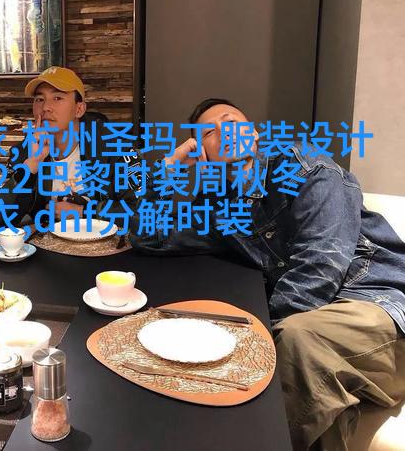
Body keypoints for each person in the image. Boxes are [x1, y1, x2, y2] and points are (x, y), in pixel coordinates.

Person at [130, 98, 405, 451]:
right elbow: (149, 236)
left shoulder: (302, 166)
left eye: (232, 121)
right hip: (321, 326)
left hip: (379, 308)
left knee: (297, 340)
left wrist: (256, 339)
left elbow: (320, 265)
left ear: (254, 133)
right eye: (209, 132)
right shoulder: (222, 207)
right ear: (203, 155)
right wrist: (169, 168)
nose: (224, 131)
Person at [0, 66, 143, 228]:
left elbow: (147, 210)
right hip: (48, 242)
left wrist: (85, 212)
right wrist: (30, 167)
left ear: (79, 109)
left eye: (57, 98)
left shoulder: (115, 149)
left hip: (103, 242)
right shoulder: (25, 151)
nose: (46, 107)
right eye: (39, 99)